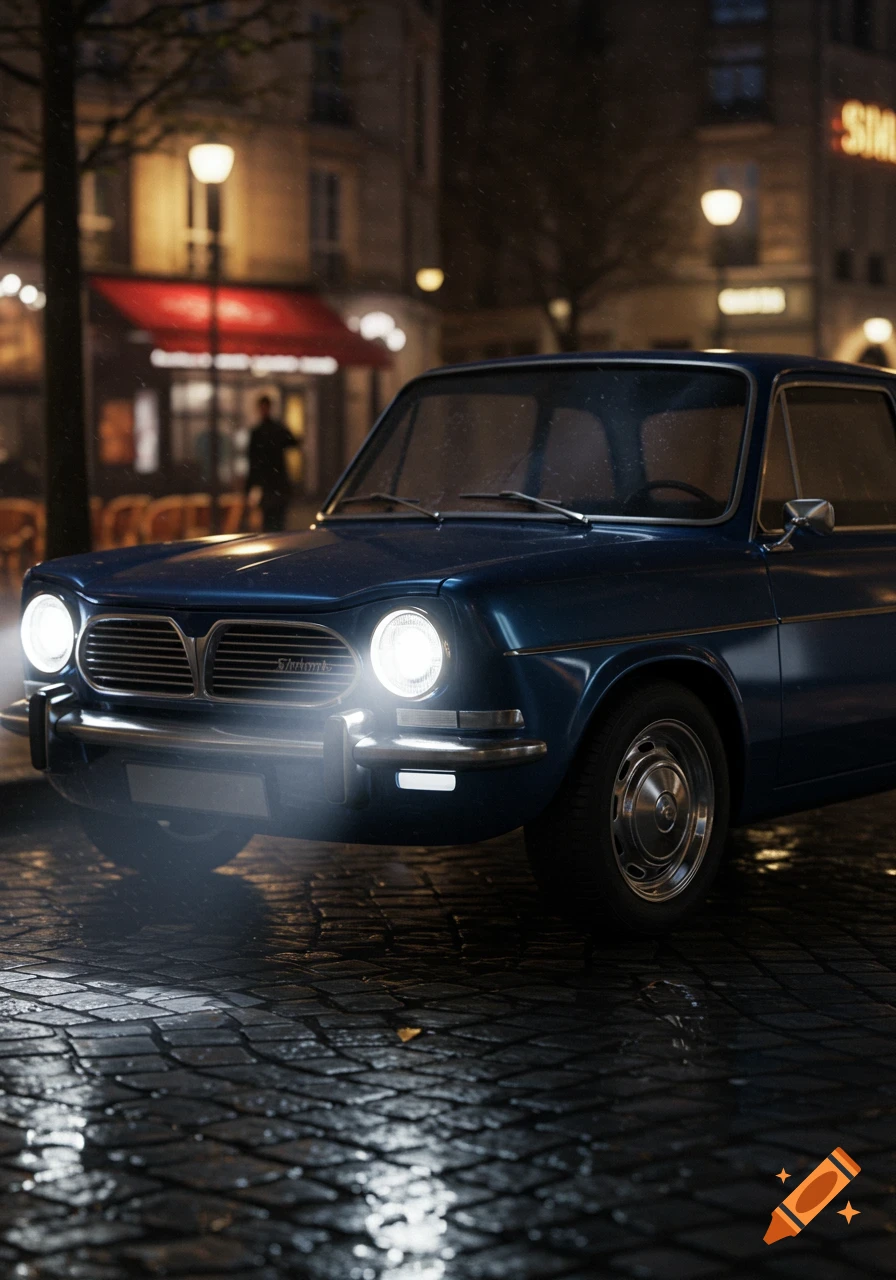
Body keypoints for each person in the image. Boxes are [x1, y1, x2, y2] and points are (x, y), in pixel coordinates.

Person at [244, 395, 299, 532]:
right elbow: (293, 441)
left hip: (271, 482)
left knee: (272, 519)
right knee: (275, 519)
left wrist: (250, 484)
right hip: (274, 482)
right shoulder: (273, 430)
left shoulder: (261, 432)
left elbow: (253, 460)